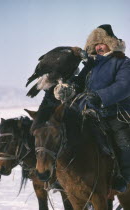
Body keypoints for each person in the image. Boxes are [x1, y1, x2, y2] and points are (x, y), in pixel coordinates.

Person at [54, 24, 130, 192]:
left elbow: (124, 86)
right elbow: (79, 83)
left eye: (102, 43)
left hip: (115, 113)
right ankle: (62, 176)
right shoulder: (91, 65)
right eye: (95, 44)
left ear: (112, 43)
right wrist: (68, 88)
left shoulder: (122, 62)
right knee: (65, 136)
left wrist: (99, 96)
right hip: (87, 112)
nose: (98, 47)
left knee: (123, 141)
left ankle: (123, 177)